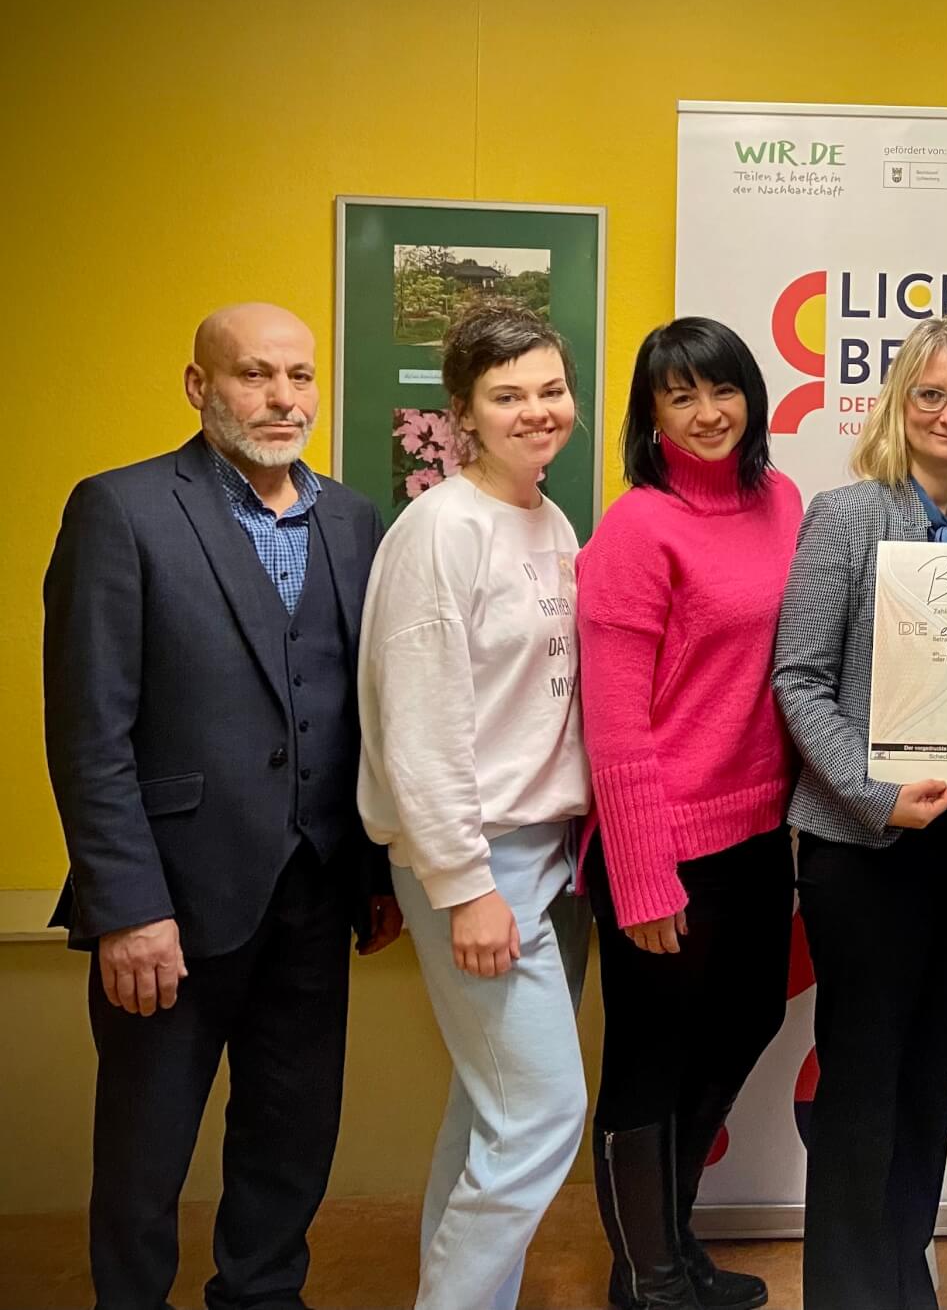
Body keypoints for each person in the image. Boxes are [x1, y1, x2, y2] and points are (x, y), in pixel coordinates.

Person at [43, 301, 401, 1310]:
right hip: (170, 905)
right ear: (200, 386)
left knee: (291, 1135)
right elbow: (88, 730)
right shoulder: (121, 509)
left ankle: (261, 1297)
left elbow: (365, 715)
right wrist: (127, 907)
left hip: (315, 893)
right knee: (145, 1153)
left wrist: (373, 874)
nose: (283, 398)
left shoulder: (353, 521)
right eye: (254, 374)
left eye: (300, 375)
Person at [771, 315, 947, 1310]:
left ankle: (902, 1266)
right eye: (930, 394)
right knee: (864, 1074)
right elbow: (798, 681)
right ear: (898, 405)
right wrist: (878, 797)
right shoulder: (844, 516)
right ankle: (845, 1290)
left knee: (932, 1069)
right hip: (863, 846)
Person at [357, 300, 593, 1310]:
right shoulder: (438, 532)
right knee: (541, 1113)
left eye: (551, 390)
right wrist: (464, 886)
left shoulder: (549, 520)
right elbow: (418, 729)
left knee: (491, 1116)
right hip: (480, 860)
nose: (536, 411)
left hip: (552, 853)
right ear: (462, 413)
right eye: (507, 396)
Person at [576, 318, 803, 1310]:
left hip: (758, 828)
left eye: (723, 389)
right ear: (652, 415)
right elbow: (614, 723)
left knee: (749, 1017)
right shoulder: (637, 527)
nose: (707, 414)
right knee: (649, 1056)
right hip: (662, 837)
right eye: (680, 397)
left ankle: (667, 1239)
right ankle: (651, 1275)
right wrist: (640, 874)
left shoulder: (781, 501)